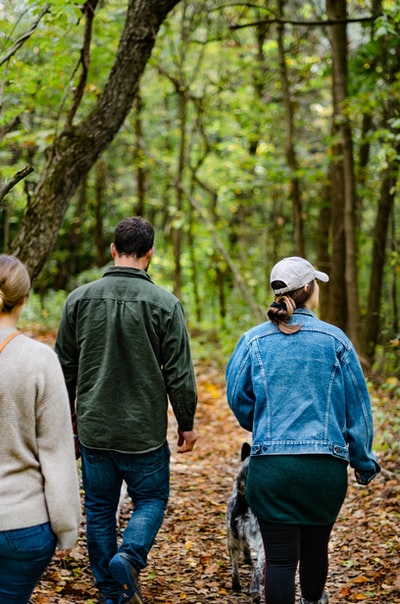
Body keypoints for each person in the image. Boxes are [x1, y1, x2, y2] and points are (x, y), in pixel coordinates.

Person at [55, 216, 198, 604]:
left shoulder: (78, 300)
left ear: (113, 251)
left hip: (95, 429)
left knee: (99, 508)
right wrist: (186, 423)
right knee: (151, 500)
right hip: (144, 434)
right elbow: (179, 373)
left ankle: (109, 591)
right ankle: (131, 555)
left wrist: (67, 422)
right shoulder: (166, 304)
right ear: (150, 255)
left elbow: (62, 369)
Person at [226, 256, 380, 604]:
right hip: (323, 471)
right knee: (315, 550)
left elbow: (237, 397)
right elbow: (359, 408)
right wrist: (363, 461)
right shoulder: (335, 340)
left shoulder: (252, 341)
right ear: (308, 288)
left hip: (271, 470)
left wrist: (264, 423)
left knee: (280, 560)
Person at [0, 254, 81, 604]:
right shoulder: (39, 359)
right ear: (25, 299)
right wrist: (67, 528)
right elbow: (57, 452)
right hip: (23, 526)